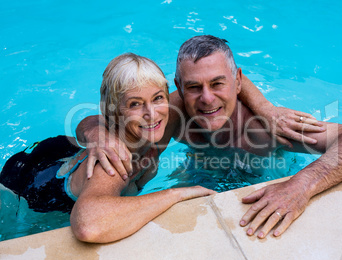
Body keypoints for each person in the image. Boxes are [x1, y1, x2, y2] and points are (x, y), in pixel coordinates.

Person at [77, 35, 342, 239]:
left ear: (237, 81)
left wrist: (301, 186)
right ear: (179, 88)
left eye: (218, 84)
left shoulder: (267, 128)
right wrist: (97, 133)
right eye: (194, 87)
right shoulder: (167, 113)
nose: (207, 99)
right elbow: (100, 119)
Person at [0, 53, 216, 243]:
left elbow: (229, 79)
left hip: (57, 154)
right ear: (113, 113)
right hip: (27, 184)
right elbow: (88, 225)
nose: (152, 113)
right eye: (135, 104)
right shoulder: (115, 160)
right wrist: (175, 194)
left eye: (158, 98)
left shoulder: (155, 125)